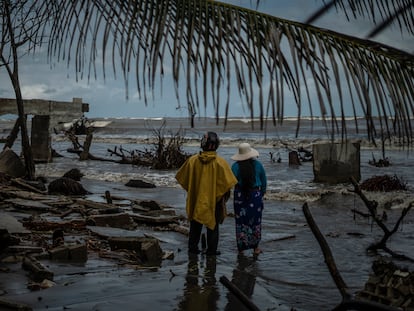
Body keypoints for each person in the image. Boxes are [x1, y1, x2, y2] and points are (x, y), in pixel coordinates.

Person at [175, 131, 237, 256]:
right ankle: (211, 251)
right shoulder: (221, 163)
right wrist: (222, 198)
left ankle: (193, 249)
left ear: (202, 144)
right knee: (213, 226)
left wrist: (194, 191)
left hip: (197, 199)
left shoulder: (192, 161)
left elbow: (183, 179)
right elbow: (227, 184)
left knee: (195, 225)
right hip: (215, 201)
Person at [231, 142, 267, 256]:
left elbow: (230, 182)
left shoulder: (235, 167)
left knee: (241, 222)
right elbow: (264, 182)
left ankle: (241, 249)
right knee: (256, 221)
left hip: (240, 196)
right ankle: (255, 248)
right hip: (255, 195)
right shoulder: (258, 165)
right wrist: (261, 194)